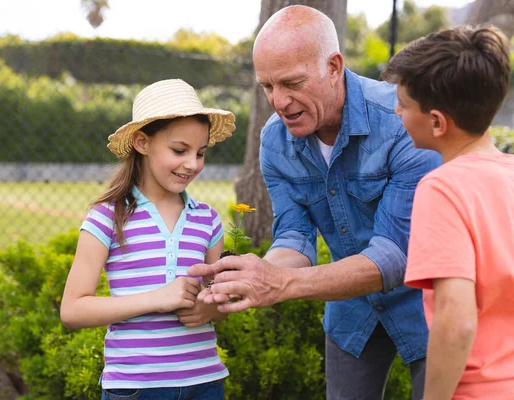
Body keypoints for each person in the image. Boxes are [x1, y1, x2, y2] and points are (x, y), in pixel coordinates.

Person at [188, 5, 442, 400]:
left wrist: (283, 283)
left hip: (428, 304)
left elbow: (393, 255)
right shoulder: (275, 141)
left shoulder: (403, 122)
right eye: (267, 86)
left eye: (292, 82)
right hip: (351, 310)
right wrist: (251, 279)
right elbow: (294, 236)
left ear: (334, 67)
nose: (279, 101)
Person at [60, 79, 236, 400]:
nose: (192, 164)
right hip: (136, 388)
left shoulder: (208, 219)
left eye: (201, 153)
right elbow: (73, 310)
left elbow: (219, 302)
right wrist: (158, 298)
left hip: (206, 383)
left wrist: (211, 310)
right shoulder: (108, 217)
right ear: (142, 143)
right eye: (179, 150)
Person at [380, 25, 514, 399]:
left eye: (404, 105)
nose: (397, 111)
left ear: (437, 122)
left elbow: (456, 322)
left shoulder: (442, 188)